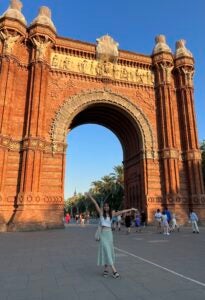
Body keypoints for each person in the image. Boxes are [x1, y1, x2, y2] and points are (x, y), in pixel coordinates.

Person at [87, 193, 137, 278]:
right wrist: (90, 196)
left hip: (109, 234)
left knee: (108, 251)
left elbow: (122, 211)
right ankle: (114, 271)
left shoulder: (112, 214)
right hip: (102, 234)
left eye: (107, 206)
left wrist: (131, 209)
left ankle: (106, 270)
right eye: (105, 206)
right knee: (106, 250)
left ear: (109, 207)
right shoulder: (101, 213)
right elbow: (95, 203)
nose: (106, 207)